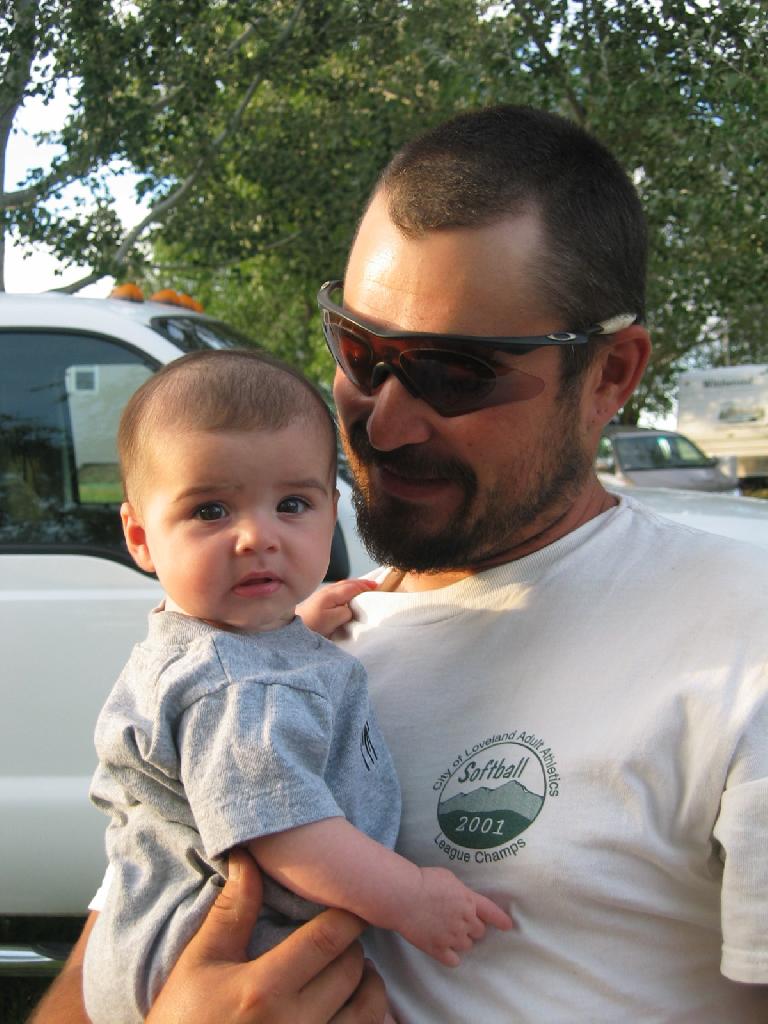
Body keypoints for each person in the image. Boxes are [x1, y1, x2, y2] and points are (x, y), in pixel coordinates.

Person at [33, 104, 768, 1023]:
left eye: (455, 373)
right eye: (361, 351)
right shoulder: (264, 644)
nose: (384, 422)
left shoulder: (740, 641)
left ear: (611, 375)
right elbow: (100, 974)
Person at [80, 348, 512, 1024]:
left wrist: (296, 628)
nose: (258, 537)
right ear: (139, 535)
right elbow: (284, 828)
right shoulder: (237, 688)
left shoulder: (227, 651)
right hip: (222, 957)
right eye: (210, 510)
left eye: (291, 504)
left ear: (330, 511)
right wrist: (411, 897)